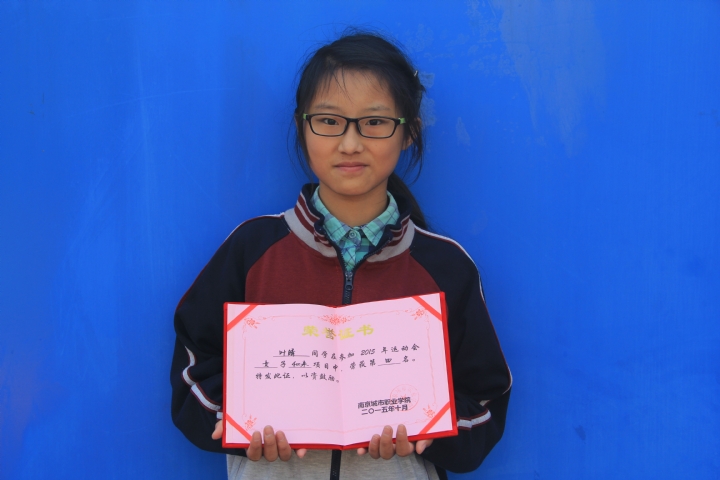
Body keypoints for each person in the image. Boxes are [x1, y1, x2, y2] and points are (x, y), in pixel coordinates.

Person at [170, 30, 512, 480]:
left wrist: (430, 429)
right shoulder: (251, 249)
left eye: (375, 122)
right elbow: (194, 369)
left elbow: (485, 401)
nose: (350, 143)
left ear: (408, 132)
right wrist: (235, 422)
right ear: (302, 126)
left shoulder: (445, 267)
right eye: (329, 121)